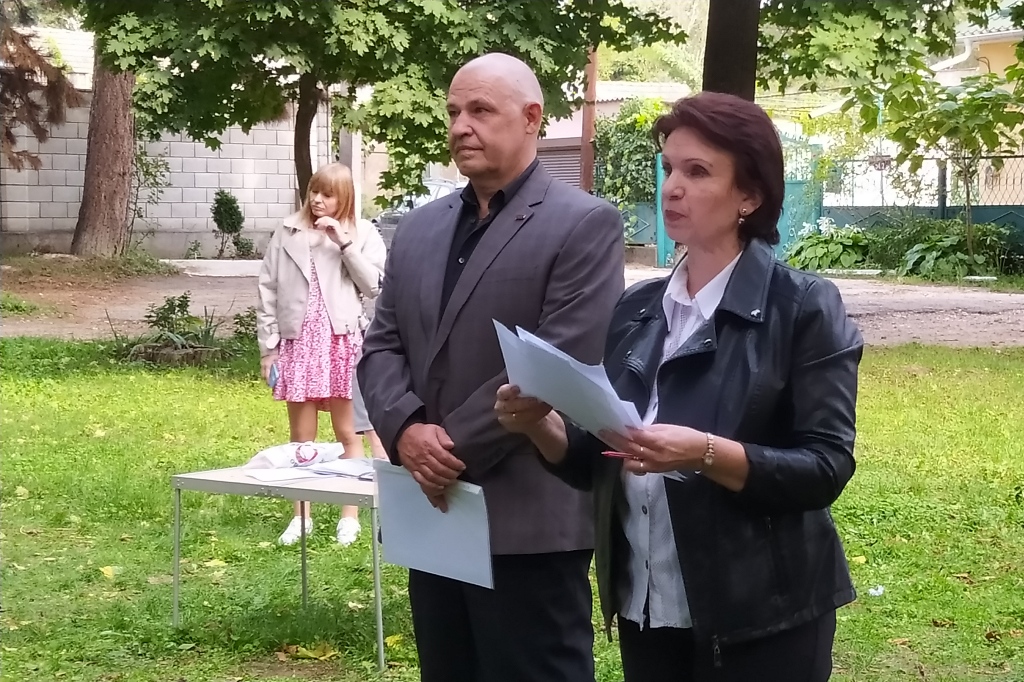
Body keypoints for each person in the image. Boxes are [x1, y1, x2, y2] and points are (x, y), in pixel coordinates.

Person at [494, 91, 863, 682]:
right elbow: (600, 459)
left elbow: (825, 467)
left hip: (762, 618)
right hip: (647, 608)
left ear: (749, 196)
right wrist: (541, 423)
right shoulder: (637, 307)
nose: (671, 188)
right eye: (668, 168)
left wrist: (704, 453)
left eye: (697, 172)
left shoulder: (803, 307)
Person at [358, 53, 625, 682]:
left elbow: (559, 356)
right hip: (434, 512)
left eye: (480, 110)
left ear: (531, 118)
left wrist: (443, 449)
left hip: (527, 519)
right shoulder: (418, 229)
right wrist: (406, 431)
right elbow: (381, 345)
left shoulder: (583, 224)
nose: (461, 126)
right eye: (454, 111)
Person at [257, 162, 387, 546]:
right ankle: (301, 517)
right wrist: (269, 350)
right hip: (298, 344)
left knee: (349, 433)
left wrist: (343, 243)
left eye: (327, 194)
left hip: (340, 343)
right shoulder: (287, 231)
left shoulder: (363, 233)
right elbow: (267, 291)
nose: (317, 200)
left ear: (343, 197)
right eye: (314, 191)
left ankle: (350, 516)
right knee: (302, 439)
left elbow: (375, 286)